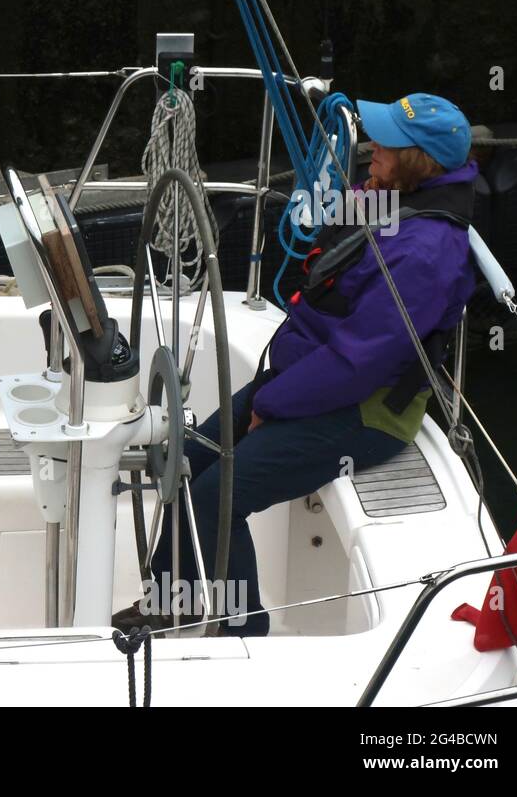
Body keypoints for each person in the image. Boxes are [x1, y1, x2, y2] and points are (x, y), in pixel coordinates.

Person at [114, 93, 478, 636]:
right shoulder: (393, 200)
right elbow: (332, 224)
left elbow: (361, 362)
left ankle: (245, 633)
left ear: (418, 161)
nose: (371, 147)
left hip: (364, 413)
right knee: (188, 459)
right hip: (307, 377)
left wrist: (272, 404)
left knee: (219, 496)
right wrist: (365, 191)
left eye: (387, 144)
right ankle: (177, 599)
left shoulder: (425, 254)